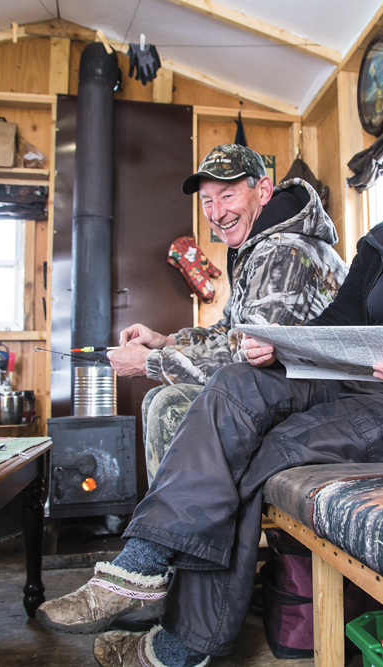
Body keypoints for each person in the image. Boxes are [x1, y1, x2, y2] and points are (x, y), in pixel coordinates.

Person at [39, 82, 383, 667]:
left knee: (260, 459)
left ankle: (184, 645)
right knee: (234, 383)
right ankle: (141, 564)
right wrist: (278, 346)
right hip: (350, 375)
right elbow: (337, 322)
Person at [104, 143, 348, 481]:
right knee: (160, 399)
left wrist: (149, 362)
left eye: (227, 196)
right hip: (284, 387)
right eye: (207, 201)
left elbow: (245, 362)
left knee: (169, 405)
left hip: (325, 397)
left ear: (262, 191)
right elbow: (228, 331)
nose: (216, 213)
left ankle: (180, 530)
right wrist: (165, 342)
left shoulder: (286, 251)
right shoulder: (257, 246)